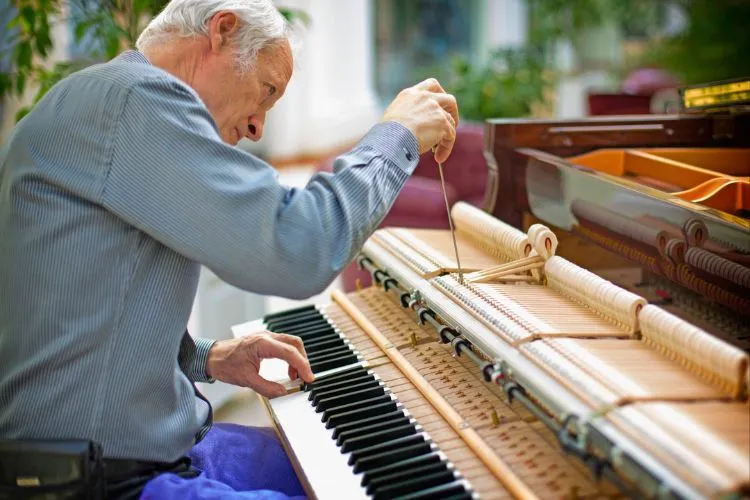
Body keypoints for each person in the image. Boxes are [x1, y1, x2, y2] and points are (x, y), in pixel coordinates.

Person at [0, 0, 458, 498]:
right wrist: (397, 136)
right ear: (221, 31)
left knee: (361, 464)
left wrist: (206, 358)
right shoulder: (134, 100)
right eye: (266, 92)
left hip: (152, 450)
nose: (258, 127)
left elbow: (78, 309)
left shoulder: (97, 100)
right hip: (106, 482)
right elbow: (297, 247)